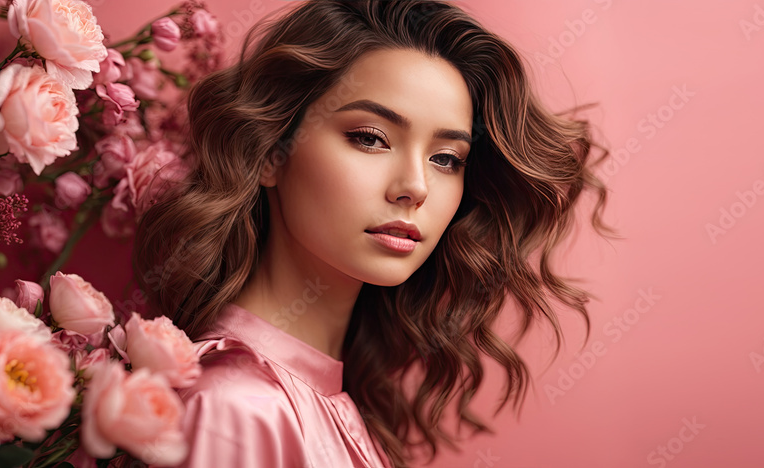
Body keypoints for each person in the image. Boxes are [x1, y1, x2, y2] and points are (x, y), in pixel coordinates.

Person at [133, 0, 617, 466]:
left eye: (446, 159)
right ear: (270, 153)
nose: (416, 187)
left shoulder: (325, 398)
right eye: (370, 138)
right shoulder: (233, 410)